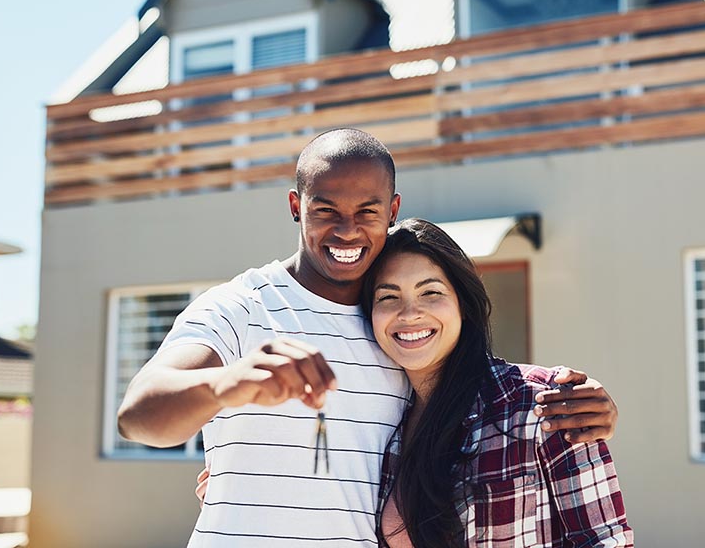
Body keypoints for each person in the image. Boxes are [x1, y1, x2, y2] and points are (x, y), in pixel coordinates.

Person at [118, 128, 619, 547]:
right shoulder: (240, 307)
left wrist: (575, 402)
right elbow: (139, 416)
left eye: (367, 211)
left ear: (393, 208)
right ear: (296, 205)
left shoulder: (395, 337)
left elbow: (467, 399)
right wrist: (227, 386)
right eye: (325, 210)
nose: (346, 231)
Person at [360, 218, 633, 548]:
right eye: (388, 297)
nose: (409, 313)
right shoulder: (383, 424)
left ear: (463, 303)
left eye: (430, 292)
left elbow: (605, 541)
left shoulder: (541, 406)